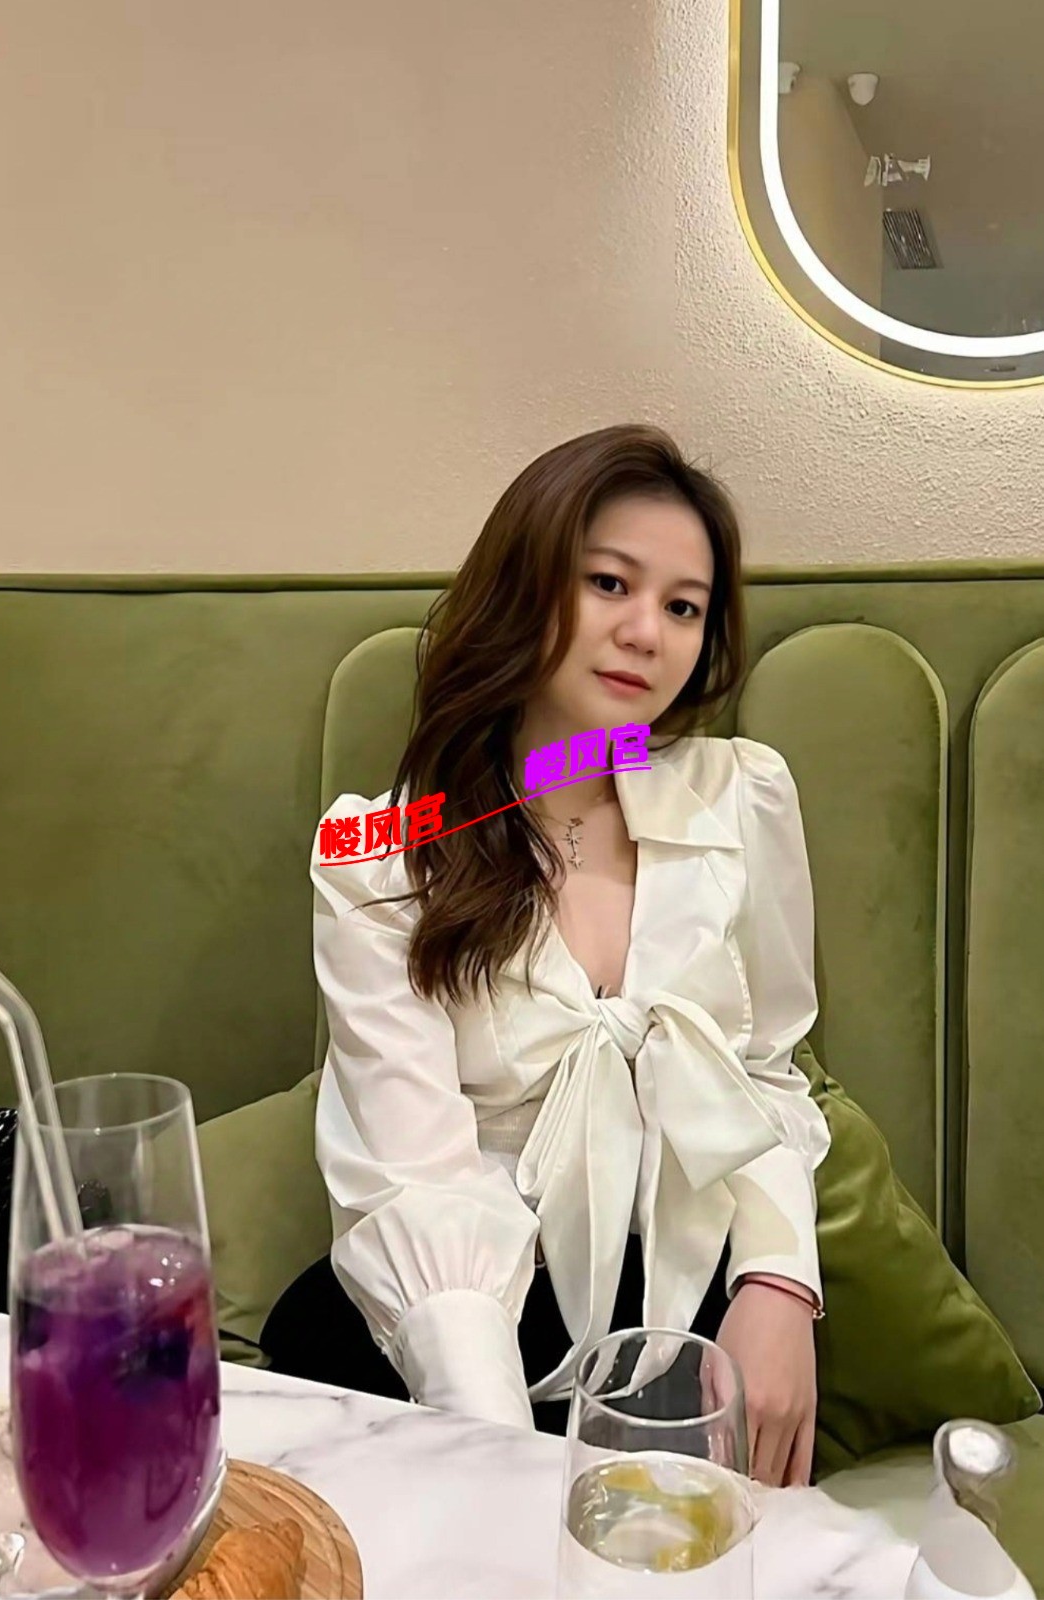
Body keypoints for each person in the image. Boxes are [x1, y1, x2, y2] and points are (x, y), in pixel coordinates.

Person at [262, 423, 832, 1488]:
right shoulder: (376, 852)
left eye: (683, 607)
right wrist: (502, 1466)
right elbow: (414, 1180)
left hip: (688, 1301)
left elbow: (763, 1070)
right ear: (525, 586)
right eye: (608, 583)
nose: (645, 633)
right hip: (462, 1324)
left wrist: (779, 1282)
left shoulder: (740, 795)